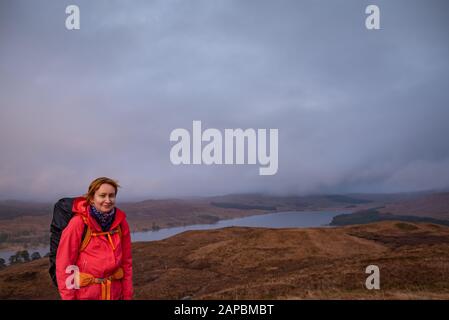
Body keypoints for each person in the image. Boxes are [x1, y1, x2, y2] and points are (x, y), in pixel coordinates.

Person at [56, 177, 133, 300]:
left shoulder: (121, 223)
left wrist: (128, 296)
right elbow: (64, 266)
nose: (108, 200)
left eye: (111, 196)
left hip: (115, 294)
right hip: (86, 295)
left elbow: (126, 263)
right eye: (102, 195)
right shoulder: (78, 223)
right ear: (92, 198)